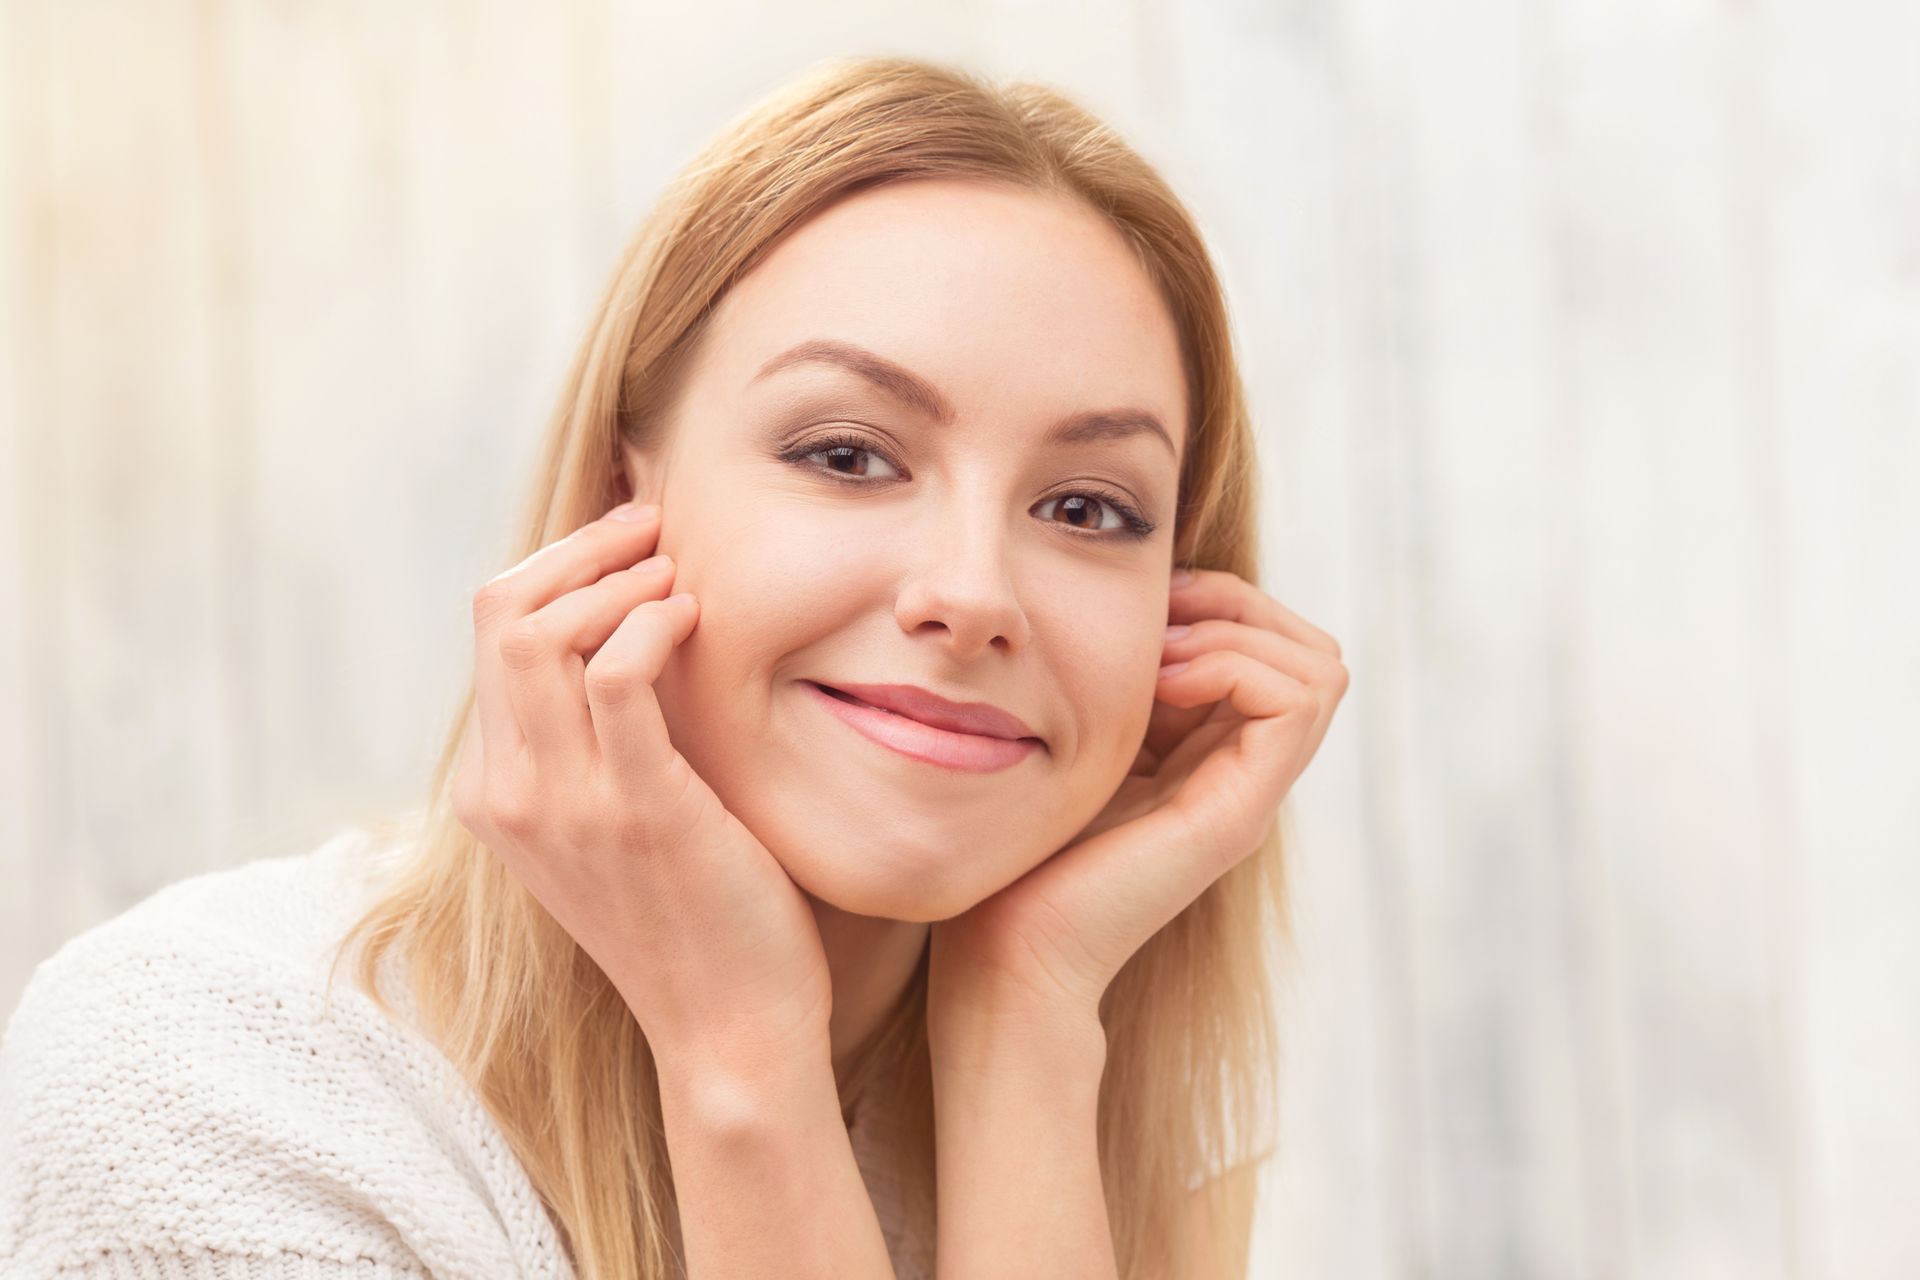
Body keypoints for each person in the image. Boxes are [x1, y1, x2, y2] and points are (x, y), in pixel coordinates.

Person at [0, 54, 1348, 1279]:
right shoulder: (208, 1073)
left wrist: (1031, 1025)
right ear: (615, 499)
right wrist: (742, 1062)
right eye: (847, 454)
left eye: (1087, 509)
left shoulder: (1117, 1133)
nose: (973, 595)